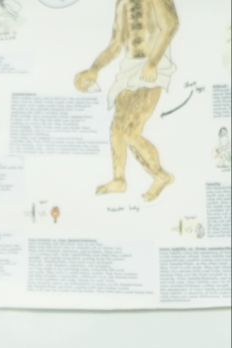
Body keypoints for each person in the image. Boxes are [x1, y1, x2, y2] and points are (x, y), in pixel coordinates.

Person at [74, 0, 179, 202]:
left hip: (153, 67)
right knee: (116, 127)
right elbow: (116, 43)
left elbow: (171, 25)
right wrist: (94, 69)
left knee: (130, 131)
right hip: (130, 68)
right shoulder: (122, 2)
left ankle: (160, 175)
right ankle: (118, 180)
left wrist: (152, 62)